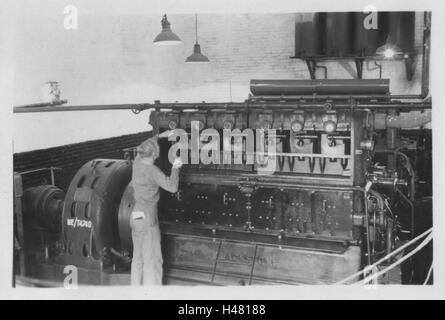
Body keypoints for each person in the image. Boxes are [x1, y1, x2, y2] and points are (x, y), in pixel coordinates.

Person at [130, 135, 182, 285]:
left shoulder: (137, 163)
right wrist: (175, 167)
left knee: (138, 259)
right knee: (152, 260)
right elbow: (172, 187)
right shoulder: (153, 171)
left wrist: (159, 136)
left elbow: (143, 146)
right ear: (154, 154)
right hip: (148, 217)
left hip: (135, 216)